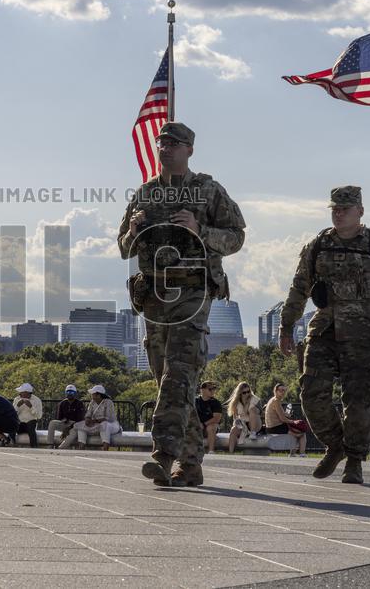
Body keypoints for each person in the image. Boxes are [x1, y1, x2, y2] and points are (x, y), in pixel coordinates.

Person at [118, 121, 246, 487]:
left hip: (193, 292)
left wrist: (199, 230)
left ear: (189, 149)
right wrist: (134, 228)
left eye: (174, 144)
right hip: (155, 295)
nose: (166, 149)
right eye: (162, 143)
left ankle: (163, 453)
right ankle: (190, 463)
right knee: (167, 380)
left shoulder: (207, 189)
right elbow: (123, 247)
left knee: (178, 371)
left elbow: (236, 237)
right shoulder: (145, 193)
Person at [280, 185, 370, 484]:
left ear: (359, 211)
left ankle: (353, 460)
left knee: (361, 400)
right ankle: (335, 444)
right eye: (335, 209)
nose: (338, 213)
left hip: (365, 335)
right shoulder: (318, 246)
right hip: (324, 331)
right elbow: (298, 288)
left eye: (344, 209)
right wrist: (286, 327)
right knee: (311, 393)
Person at [61, 385, 121, 451]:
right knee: (81, 427)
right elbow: (88, 414)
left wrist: (93, 421)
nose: (92, 395)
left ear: (99, 395)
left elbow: (107, 418)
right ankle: (81, 447)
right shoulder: (92, 402)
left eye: (93, 394)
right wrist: (87, 419)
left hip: (111, 425)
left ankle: (105, 448)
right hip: (96, 424)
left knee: (104, 424)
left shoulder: (108, 402)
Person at [264, 383, 307, 456]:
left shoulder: (273, 400)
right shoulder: (276, 401)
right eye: (281, 390)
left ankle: (292, 454)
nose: (283, 392)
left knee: (295, 432)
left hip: (271, 427)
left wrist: (288, 415)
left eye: (284, 390)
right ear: (276, 391)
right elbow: (282, 419)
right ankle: (302, 453)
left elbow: (281, 414)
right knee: (301, 433)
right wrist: (293, 422)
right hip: (275, 427)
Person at [226, 382, 261, 452]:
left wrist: (248, 405)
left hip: (254, 423)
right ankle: (230, 453)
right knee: (233, 430)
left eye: (248, 391)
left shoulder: (255, 399)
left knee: (252, 409)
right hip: (243, 424)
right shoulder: (235, 402)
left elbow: (260, 412)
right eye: (244, 392)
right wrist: (238, 425)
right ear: (240, 393)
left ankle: (253, 433)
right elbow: (235, 417)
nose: (247, 394)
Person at [12, 383, 43, 448]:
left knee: (31, 425)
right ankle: (11, 444)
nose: (19, 394)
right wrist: (17, 406)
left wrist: (31, 407)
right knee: (13, 424)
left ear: (27, 393)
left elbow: (39, 416)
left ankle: (34, 447)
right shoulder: (16, 399)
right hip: (20, 424)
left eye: (21, 392)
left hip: (31, 423)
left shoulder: (37, 400)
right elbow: (12, 414)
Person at [195, 381, 222, 454]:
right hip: (197, 425)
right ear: (202, 390)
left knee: (211, 427)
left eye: (214, 389)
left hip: (210, 426)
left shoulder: (216, 402)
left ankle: (211, 451)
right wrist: (197, 424)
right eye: (210, 389)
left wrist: (203, 424)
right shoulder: (195, 401)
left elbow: (217, 418)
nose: (213, 391)